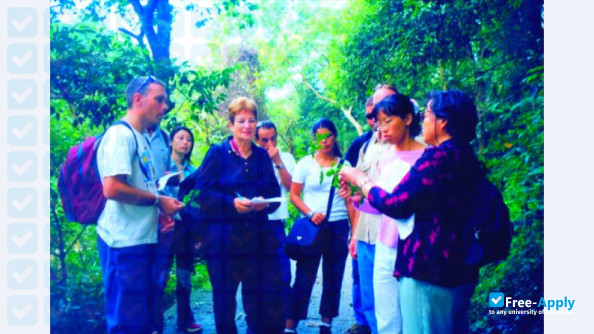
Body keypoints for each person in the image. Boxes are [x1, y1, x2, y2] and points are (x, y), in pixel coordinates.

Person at [339, 90, 484, 334]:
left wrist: (362, 180)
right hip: (458, 264)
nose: (423, 120)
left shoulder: (436, 157)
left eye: (427, 114)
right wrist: (359, 198)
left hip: (430, 266)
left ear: (443, 121)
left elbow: (397, 204)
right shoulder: (466, 155)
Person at [96, 75, 184, 333]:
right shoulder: (119, 135)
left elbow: (144, 184)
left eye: (165, 101)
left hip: (143, 240)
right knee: (126, 322)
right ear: (138, 99)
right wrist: (158, 200)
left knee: (142, 319)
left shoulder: (142, 137)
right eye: (159, 99)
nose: (164, 106)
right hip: (123, 243)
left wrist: (161, 208)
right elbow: (112, 188)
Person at [192, 97, 286, 334]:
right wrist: (231, 203)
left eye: (251, 120)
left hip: (257, 239)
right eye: (241, 121)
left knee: (258, 298)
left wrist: (263, 204)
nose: (247, 125)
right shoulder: (217, 154)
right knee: (224, 299)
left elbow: (274, 194)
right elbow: (202, 194)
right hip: (223, 240)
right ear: (231, 124)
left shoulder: (262, 157)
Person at [346, 94, 426, 334]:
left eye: (388, 121)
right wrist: (357, 199)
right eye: (379, 122)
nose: (382, 129)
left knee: (415, 318)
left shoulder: (428, 156)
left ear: (408, 118)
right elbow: (383, 206)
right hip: (385, 245)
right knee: (387, 317)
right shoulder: (385, 157)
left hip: (415, 248)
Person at [285, 118, 355, 334]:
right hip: (312, 227)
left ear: (334, 136)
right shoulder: (305, 163)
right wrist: (310, 213)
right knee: (304, 278)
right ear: (315, 140)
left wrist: (354, 233)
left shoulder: (345, 166)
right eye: (320, 137)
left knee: (333, 277)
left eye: (329, 136)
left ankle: (326, 325)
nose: (325, 141)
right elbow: (294, 195)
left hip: (338, 227)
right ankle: (290, 327)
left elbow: (350, 201)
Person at [348, 84, 398, 334]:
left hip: (390, 237)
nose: (380, 112)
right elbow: (360, 194)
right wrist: (354, 234)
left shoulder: (410, 144)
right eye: (376, 108)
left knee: (391, 306)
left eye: (386, 104)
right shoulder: (367, 145)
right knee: (370, 302)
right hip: (366, 233)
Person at [152, 126, 202, 333]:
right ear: (171, 142)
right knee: (160, 275)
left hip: (186, 229)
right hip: (163, 227)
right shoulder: (160, 166)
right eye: (180, 138)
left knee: (184, 275)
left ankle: (185, 318)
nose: (185, 142)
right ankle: (155, 323)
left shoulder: (193, 171)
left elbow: (198, 203)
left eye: (189, 139)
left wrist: (199, 234)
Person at [343, 97, 374, 334]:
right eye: (370, 116)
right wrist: (354, 232)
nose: (374, 120)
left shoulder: (412, 142)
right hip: (363, 225)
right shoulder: (360, 145)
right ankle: (362, 320)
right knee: (360, 275)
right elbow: (348, 189)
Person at [255, 120, 297, 226]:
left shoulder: (287, 158)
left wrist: (278, 161)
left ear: (277, 136)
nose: (270, 144)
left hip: (277, 217)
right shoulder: (250, 159)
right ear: (256, 140)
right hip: (254, 218)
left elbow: (293, 188)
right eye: (265, 140)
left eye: (273, 139)